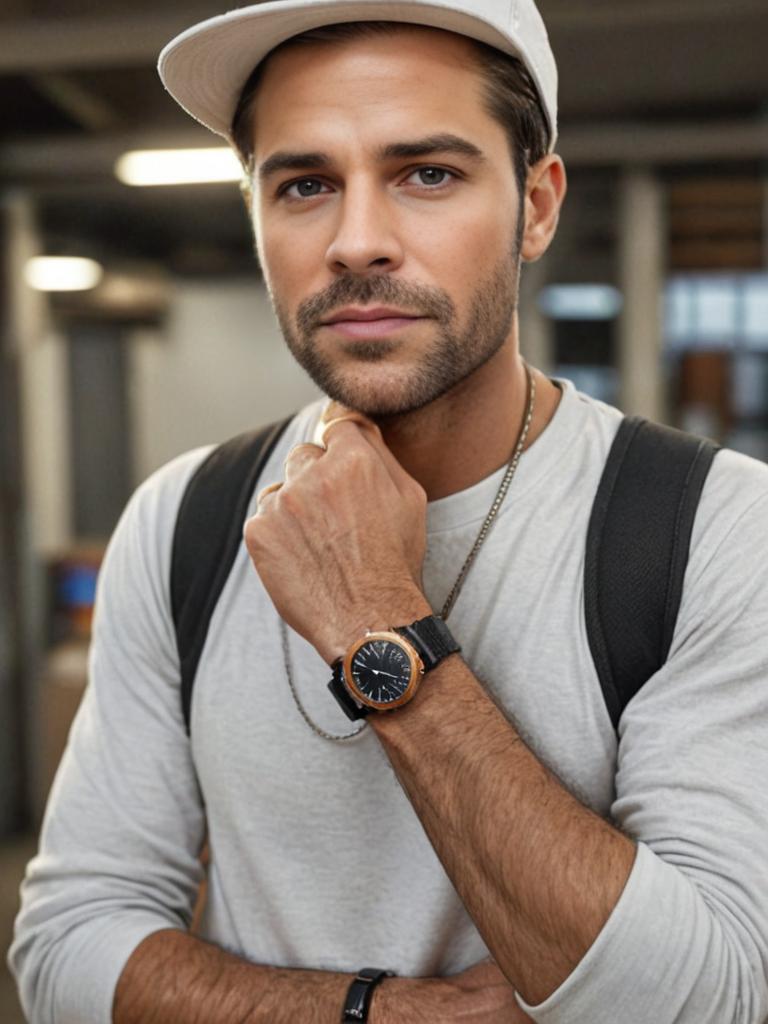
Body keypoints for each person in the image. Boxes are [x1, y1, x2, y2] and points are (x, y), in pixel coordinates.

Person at [10, 0, 768, 1021]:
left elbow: (705, 998)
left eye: (428, 173)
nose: (356, 241)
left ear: (536, 207)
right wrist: (388, 1013)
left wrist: (376, 619)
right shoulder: (184, 517)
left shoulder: (711, 528)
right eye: (305, 184)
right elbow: (65, 946)